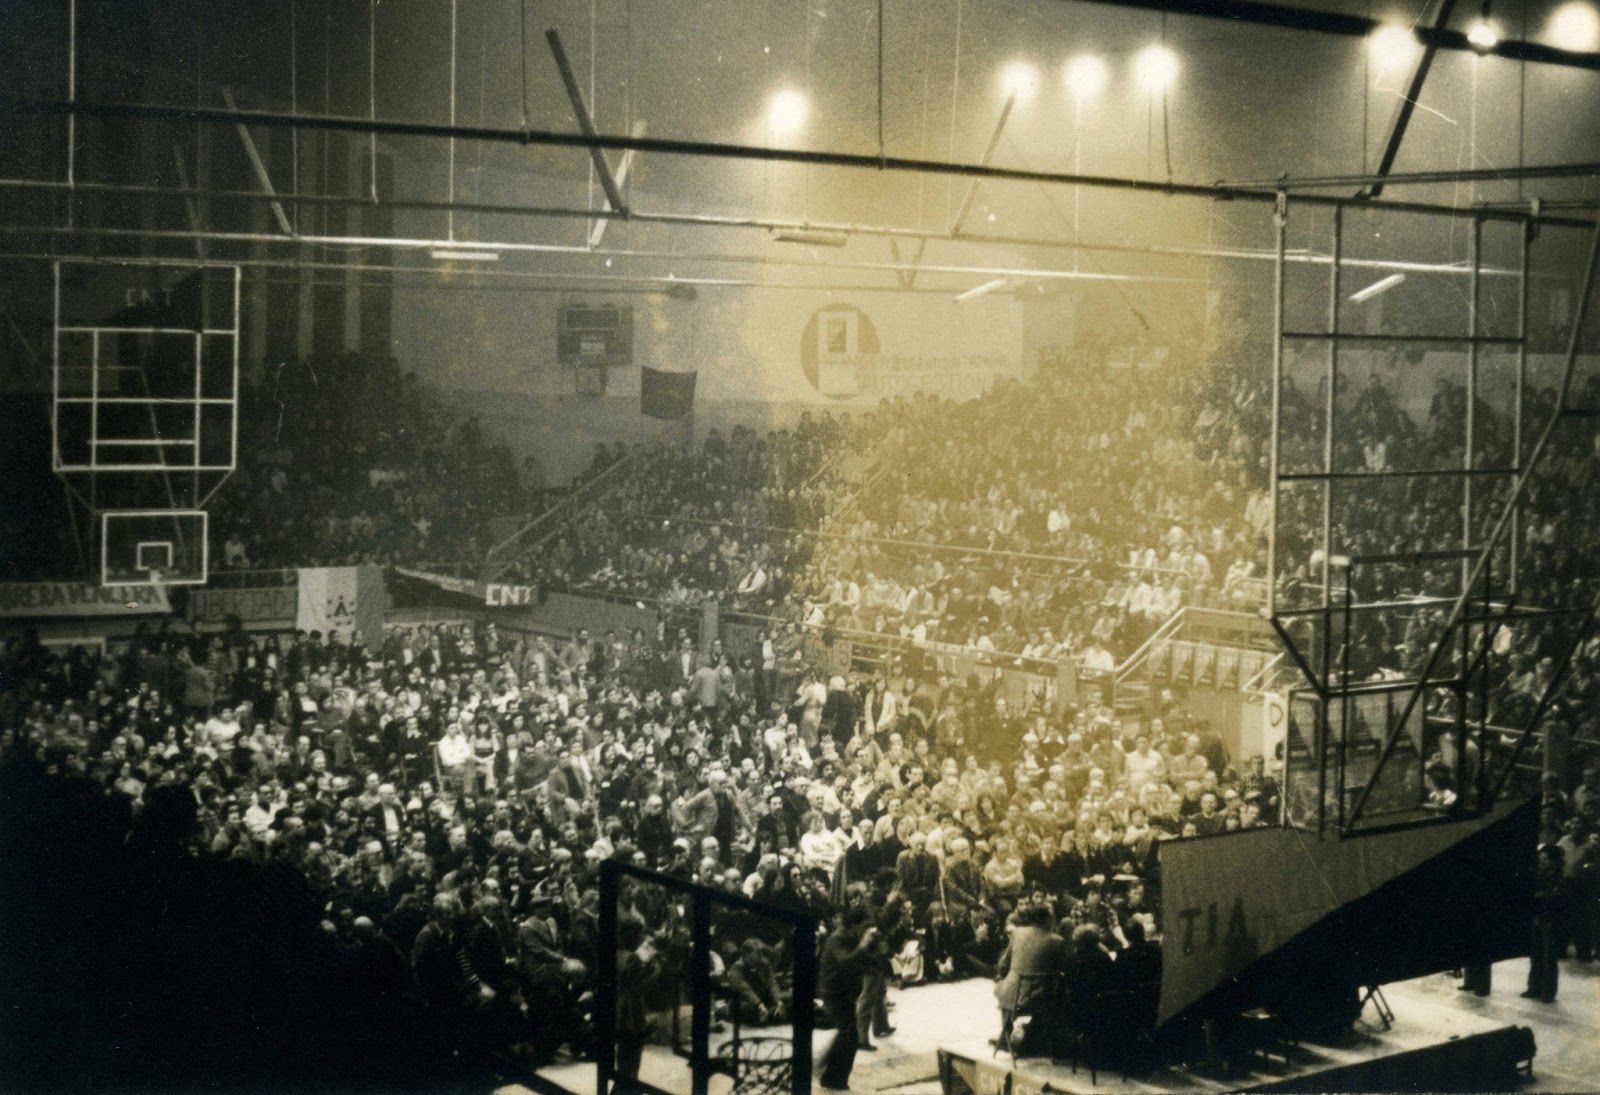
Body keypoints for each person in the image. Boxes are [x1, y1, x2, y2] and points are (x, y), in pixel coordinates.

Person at [818, 907, 878, 1091]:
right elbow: (846, 961)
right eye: (863, 927)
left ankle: (829, 1072)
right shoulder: (838, 938)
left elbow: (864, 961)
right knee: (850, 1036)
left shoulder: (851, 936)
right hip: (834, 992)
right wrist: (863, 946)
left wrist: (876, 952)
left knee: (847, 1034)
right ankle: (832, 1079)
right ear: (855, 925)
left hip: (845, 992)